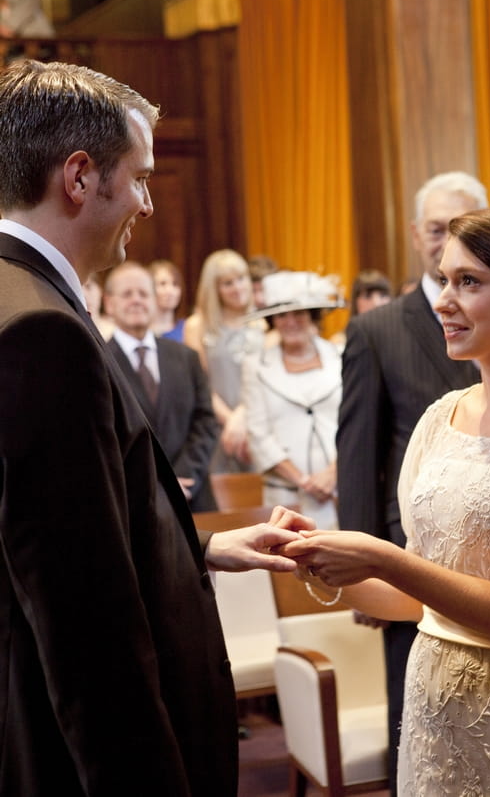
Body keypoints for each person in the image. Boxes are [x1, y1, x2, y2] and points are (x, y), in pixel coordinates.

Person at [0, 59, 311, 796]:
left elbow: (53, 533)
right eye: (138, 179)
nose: (146, 204)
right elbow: (83, 622)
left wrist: (197, 547)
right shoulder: (43, 328)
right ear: (79, 177)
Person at [284, 204, 490, 795]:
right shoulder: (438, 420)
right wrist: (310, 553)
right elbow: (419, 600)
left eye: (470, 282)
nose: (443, 301)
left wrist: (384, 558)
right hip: (432, 707)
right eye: (445, 280)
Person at [336, 171, 488, 794]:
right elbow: (357, 458)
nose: (448, 240)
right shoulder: (378, 331)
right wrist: (364, 566)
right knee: (422, 736)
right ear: (414, 235)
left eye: (463, 226)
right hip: (410, 565)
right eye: (436, 229)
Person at [105, 261, 219, 511]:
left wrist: (184, 476)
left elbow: (206, 421)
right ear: (109, 303)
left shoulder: (186, 357)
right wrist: (156, 484)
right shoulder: (99, 361)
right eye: (127, 294)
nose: (136, 300)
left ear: (156, 302)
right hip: (134, 503)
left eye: (144, 293)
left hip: (194, 496)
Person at [242, 271, 343, 529]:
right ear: (272, 320)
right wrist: (304, 480)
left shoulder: (341, 357)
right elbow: (259, 434)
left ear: (313, 316)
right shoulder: (256, 366)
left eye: (299, 313)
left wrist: (332, 473)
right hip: (287, 496)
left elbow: (356, 424)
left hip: (341, 489)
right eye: (282, 315)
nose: (290, 322)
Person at [184, 249, 265, 472]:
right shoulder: (197, 326)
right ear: (214, 289)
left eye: (241, 279)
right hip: (217, 429)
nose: (238, 288)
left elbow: (264, 382)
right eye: (228, 283)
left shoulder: (263, 325)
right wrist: (230, 421)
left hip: (256, 426)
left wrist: (242, 417)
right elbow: (200, 384)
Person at [330, 268, 393, 351]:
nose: (376, 303)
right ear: (355, 301)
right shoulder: (340, 341)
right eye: (367, 296)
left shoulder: (399, 338)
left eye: (383, 296)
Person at [148, 257, 186, 341]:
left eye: (175, 284)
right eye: (162, 284)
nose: (170, 291)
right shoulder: (139, 330)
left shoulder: (188, 329)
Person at [82, 271, 115, 340]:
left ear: (100, 290)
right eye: (79, 289)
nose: (84, 295)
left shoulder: (117, 330)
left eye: (88, 287)